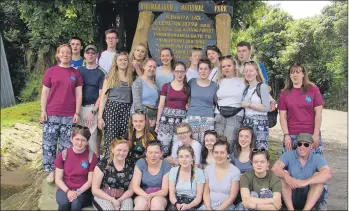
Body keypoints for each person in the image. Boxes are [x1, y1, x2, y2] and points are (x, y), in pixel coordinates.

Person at [40, 44, 83, 182]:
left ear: (71, 55)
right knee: (49, 144)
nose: (65, 55)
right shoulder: (51, 71)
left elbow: (78, 94)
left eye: (68, 53)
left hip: (69, 115)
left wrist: (77, 112)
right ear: (58, 55)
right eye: (62, 52)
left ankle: (62, 171)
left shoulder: (75, 73)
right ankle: (51, 172)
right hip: (52, 113)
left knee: (66, 146)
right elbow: (45, 92)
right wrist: (43, 110)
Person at [272, 133, 332, 210]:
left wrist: (305, 182)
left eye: (306, 145)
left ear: (311, 146)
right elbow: (275, 168)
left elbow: (327, 174)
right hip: (290, 195)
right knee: (284, 175)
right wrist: (286, 177)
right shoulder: (288, 155)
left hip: (309, 197)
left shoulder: (317, 158)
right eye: (299, 144)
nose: (302, 147)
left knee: (318, 178)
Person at [278, 63, 324, 155]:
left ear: (303, 74)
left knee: (313, 166)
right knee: (290, 167)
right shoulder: (284, 93)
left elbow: (318, 112)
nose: (295, 75)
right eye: (292, 72)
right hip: (292, 135)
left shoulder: (313, 89)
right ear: (289, 75)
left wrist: (315, 134)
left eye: (298, 72)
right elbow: (282, 116)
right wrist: (286, 135)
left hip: (310, 134)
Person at [54, 125, 98, 211]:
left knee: (76, 203)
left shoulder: (92, 157)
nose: (79, 143)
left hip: (83, 191)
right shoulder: (63, 155)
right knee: (64, 204)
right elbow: (58, 179)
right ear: (71, 139)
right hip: (64, 189)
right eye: (77, 139)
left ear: (87, 142)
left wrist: (77, 192)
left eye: (83, 140)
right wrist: (68, 191)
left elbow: (90, 181)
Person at [98, 52, 133, 158]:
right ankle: (108, 162)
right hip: (112, 108)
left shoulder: (131, 77)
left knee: (123, 138)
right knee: (111, 137)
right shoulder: (110, 77)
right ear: (116, 62)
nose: (123, 62)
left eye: (125, 60)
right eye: (120, 60)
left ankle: (121, 162)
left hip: (126, 109)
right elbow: (104, 97)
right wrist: (100, 117)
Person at [156, 62, 190, 157]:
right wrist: (157, 123)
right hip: (165, 121)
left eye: (182, 71)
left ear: (185, 72)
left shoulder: (187, 87)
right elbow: (161, 105)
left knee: (177, 148)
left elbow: (190, 103)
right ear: (173, 72)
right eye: (177, 71)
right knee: (163, 148)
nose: (179, 74)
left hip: (181, 121)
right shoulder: (166, 86)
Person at [91, 138, 134, 210]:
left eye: (125, 151)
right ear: (113, 149)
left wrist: (119, 200)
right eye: (119, 150)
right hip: (104, 196)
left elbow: (131, 189)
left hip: (124, 196)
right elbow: (95, 190)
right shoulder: (103, 164)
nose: (122, 153)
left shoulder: (131, 165)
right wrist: (112, 200)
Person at [77, 45, 105, 157]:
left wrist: (93, 111)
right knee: (78, 138)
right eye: (88, 53)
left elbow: (101, 95)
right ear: (84, 55)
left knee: (92, 140)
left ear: (97, 55)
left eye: (93, 53)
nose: (90, 55)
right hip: (78, 108)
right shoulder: (79, 71)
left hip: (92, 108)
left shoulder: (101, 73)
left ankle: (92, 167)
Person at [185, 59, 218, 144]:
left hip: (208, 118)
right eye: (201, 69)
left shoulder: (214, 85)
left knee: (206, 144)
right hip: (192, 116)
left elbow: (217, 102)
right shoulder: (192, 82)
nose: (203, 71)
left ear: (210, 70)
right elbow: (185, 96)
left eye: (206, 69)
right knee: (191, 143)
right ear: (198, 70)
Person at [200, 140, 240, 210]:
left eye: (222, 153)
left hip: (226, 207)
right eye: (216, 152)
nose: (219, 155)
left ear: (228, 154)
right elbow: (206, 192)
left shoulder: (235, 171)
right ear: (212, 153)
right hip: (208, 206)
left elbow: (232, 197)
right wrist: (208, 208)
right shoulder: (208, 169)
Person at [215, 55, 244, 149]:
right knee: (218, 142)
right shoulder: (219, 81)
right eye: (223, 66)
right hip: (219, 114)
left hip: (235, 115)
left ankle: (227, 163)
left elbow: (255, 88)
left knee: (229, 143)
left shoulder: (243, 81)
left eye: (229, 66)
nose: (226, 68)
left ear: (234, 66)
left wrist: (271, 100)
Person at [132, 141, 171, 210]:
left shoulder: (166, 165)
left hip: (160, 195)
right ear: (146, 153)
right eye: (150, 152)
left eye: (156, 152)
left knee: (156, 204)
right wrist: (147, 196)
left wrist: (152, 195)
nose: (153, 156)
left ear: (161, 153)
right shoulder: (141, 163)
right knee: (141, 205)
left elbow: (164, 191)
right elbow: (135, 187)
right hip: (142, 193)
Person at [241, 60, 270, 149]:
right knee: (247, 150)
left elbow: (266, 107)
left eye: (251, 71)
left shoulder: (262, 86)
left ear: (257, 72)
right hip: (247, 123)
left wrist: (249, 105)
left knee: (259, 151)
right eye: (246, 71)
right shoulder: (246, 88)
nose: (248, 73)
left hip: (260, 125)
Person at [168, 145, 205, 211]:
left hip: (193, 203)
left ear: (192, 158)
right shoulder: (173, 171)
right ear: (178, 159)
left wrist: (188, 206)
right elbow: (172, 194)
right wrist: (176, 204)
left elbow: (199, 197)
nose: (184, 160)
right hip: (177, 202)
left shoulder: (199, 172)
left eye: (187, 156)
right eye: (181, 157)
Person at [132, 58, 159, 127]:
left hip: (152, 119)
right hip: (140, 118)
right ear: (144, 66)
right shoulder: (138, 82)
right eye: (150, 66)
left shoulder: (155, 85)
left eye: (154, 67)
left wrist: (154, 119)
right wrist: (144, 119)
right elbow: (137, 102)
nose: (152, 69)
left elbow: (156, 104)